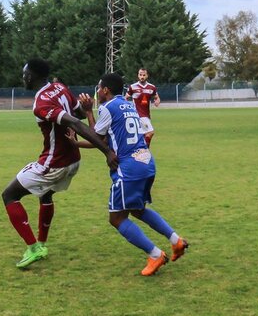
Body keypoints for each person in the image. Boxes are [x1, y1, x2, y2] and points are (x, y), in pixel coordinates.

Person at [0, 58, 117, 269]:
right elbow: (78, 112)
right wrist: (86, 108)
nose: (23, 77)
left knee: (9, 194)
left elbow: (74, 121)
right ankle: (42, 244)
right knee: (45, 194)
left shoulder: (41, 103)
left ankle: (34, 248)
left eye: (25, 73)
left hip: (55, 163)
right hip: (73, 160)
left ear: (33, 76)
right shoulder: (60, 87)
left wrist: (106, 151)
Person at [77, 72, 189, 276]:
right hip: (146, 162)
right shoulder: (129, 105)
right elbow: (105, 139)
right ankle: (176, 241)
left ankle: (155, 255)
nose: (97, 91)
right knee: (137, 210)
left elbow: (97, 139)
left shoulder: (107, 107)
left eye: (98, 87)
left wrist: (87, 115)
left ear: (105, 90)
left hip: (128, 169)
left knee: (117, 219)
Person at [128, 68, 161, 146]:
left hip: (146, 115)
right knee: (150, 132)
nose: (142, 77)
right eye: (140, 75)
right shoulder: (133, 87)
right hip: (137, 114)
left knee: (143, 135)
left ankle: (140, 152)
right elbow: (125, 98)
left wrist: (157, 101)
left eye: (144, 75)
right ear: (138, 75)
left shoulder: (151, 87)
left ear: (147, 76)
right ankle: (145, 150)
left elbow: (157, 97)